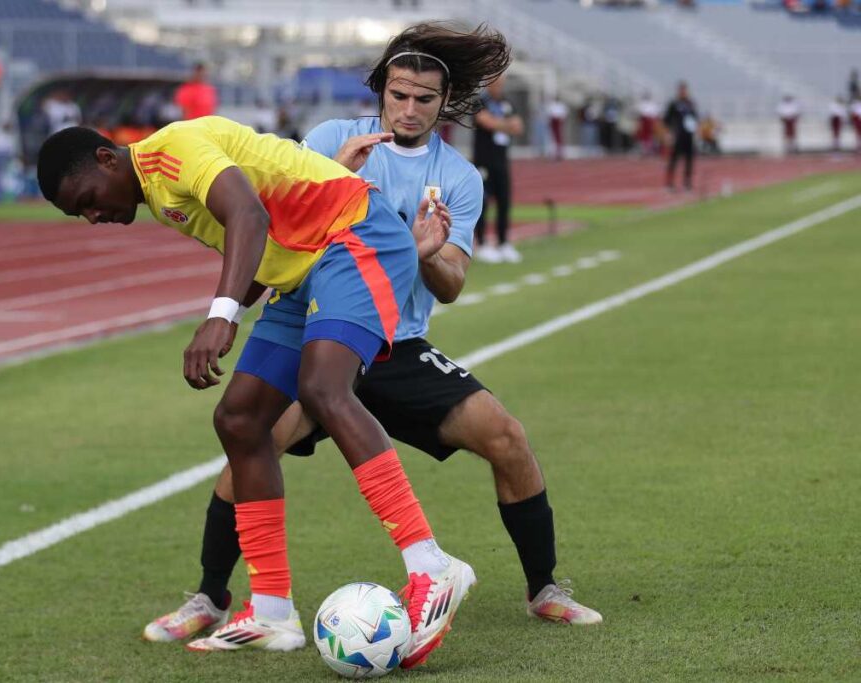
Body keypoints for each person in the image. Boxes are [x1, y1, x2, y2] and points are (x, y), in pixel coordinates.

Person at [143, 22, 602, 651]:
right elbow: (282, 229)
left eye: (423, 99)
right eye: (398, 95)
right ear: (380, 92)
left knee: (507, 438)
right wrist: (333, 172)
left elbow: (452, 284)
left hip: (396, 344)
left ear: (446, 106)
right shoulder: (334, 138)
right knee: (248, 441)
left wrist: (423, 252)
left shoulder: (460, 178)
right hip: (315, 330)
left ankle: (545, 589)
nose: (408, 109)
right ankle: (209, 596)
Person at [37, 116, 471, 667]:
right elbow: (264, 241)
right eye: (80, 214)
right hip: (305, 267)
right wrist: (237, 310)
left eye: (88, 199)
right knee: (239, 419)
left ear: (106, 159)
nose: (93, 215)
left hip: (356, 234)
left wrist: (220, 317)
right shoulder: (156, 189)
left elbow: (249, 214)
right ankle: (270, 611)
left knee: (323, 389)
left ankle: (432, 565)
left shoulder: (172, 151)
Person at [472, 74, 523, 264]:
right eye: (495, 83)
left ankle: (503, 242)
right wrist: (505, 124)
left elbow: (518, 127)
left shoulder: (506, 103)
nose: (498, 86)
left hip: (502, 160)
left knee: (504, 201)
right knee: (483, 203)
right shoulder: (479, 101)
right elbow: (486, 122)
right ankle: (482, 243)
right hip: (484, 160)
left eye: (501, 83)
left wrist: (500, 125)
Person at [663, 80, 697, 191]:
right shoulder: (674, 104)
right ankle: (669, 183)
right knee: (674, 160)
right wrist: (668, 133)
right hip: (678, 135)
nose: (683, 92)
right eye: (681, 90)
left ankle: (687, 183)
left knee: (689, 160)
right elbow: (666, 120)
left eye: (685, 90)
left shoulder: (690, 103)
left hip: (689, 136)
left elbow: (695, 118)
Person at [635, 91, 661, 156]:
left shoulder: (652, 104)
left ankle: (649, 149)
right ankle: (644, 150)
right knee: (643, 136)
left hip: (650, 122)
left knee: (650, 137)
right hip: (645, 122)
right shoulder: (643, 104)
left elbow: (655, 115)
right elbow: (641, 115)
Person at [546, 95, 568, 161]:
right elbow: (550, 114)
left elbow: (563, 114)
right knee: (553, 137)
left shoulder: (561, 105)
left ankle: (560, 153)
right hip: (554, 121)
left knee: (559, 137)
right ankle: (553, 153)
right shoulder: (552, 105)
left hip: (558, 121)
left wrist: (561, 120)